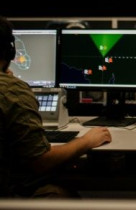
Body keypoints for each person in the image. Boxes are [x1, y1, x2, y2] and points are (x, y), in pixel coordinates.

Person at [0, 17, 112, 198]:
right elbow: (41, 162)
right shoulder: (11, 90)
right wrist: (87, 141)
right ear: (10, 51)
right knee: (60, 194)